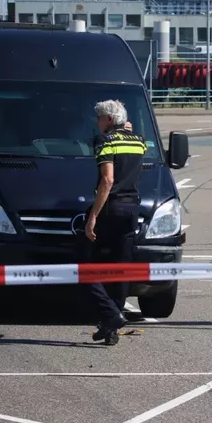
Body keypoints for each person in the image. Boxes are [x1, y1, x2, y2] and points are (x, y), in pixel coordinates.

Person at [84, 100, 147, 345]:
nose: (98, 123)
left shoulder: (104, 141)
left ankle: (110, 314)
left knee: (85, 267)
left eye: (99, 118)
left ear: (109, 119)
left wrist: (93, 216)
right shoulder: (139, 141)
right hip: (133, 208)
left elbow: (108, 180)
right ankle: (112, 329)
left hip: (111, 207)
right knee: (122, 267)